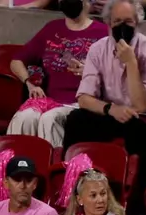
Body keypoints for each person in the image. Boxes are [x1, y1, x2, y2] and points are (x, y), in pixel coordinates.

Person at [65, 0, 146, 203]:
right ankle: (72, 190)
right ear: (108, 23)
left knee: (138, 131)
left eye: (128, 21)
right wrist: (110, 109)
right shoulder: (98, 49)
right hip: (113, 112)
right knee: (75, 119)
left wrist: (131, 62)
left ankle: (138, 204)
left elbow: (141, 105)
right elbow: (84, 98)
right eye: (117, 21)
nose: (123, 27)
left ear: (138, 22)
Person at [7, 0, 107, 146]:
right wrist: (29, 82)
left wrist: (91, 72)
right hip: (50, 100)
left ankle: (53, 166)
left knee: (50, 118)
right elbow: (16, 61)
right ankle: (19, 164)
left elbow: (117, 75)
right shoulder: (52, 28)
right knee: (25, 117)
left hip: (80, 103)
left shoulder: (103, 33)